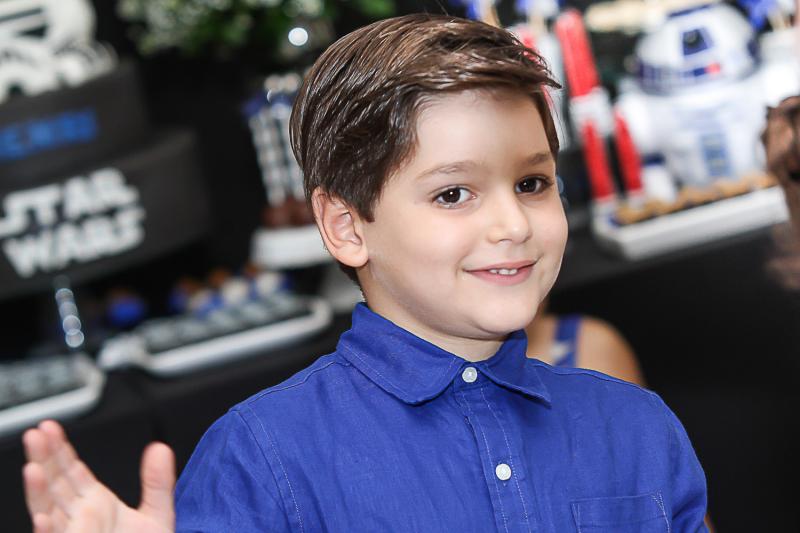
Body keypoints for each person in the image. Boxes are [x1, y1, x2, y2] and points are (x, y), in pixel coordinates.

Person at [21, 14, 709, 532]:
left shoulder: (636, 425)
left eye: (531, 183)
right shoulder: (262, 459)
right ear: (347, 226)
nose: (512, 224)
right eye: (453, 194)